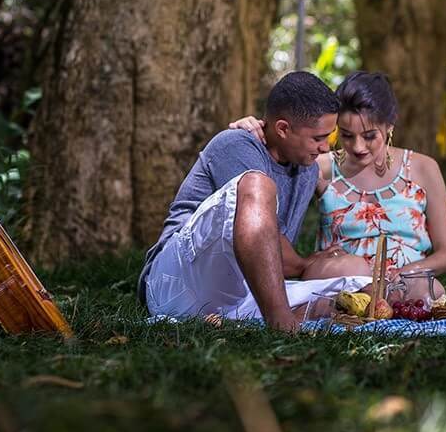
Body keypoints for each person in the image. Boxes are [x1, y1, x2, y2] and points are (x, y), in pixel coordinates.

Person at [139, 71, 372, 332]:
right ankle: (283, 325)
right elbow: (278, 253)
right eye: (318, 138)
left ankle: (262, 318)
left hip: (237, 296)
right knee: (257, 183)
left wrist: (313, 264)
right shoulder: (236, 144)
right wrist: (307, 263)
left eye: (329, 137)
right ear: (283, 128)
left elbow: (272, 261)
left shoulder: (306, 170)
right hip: (175, 284)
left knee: (356, 276)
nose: (324, 148)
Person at [229, 71, 446, 301]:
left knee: (430, 289)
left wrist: (406, 272)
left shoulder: (423, 168)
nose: (358, 147)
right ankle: (369, 304)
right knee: (353, 269)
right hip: (340, 279)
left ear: (390, 125)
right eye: (347, 135)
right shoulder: (319, 166)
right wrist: (255, 130)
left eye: (369, 136)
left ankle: (380, 303)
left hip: (403, 282)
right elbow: (266, 178)